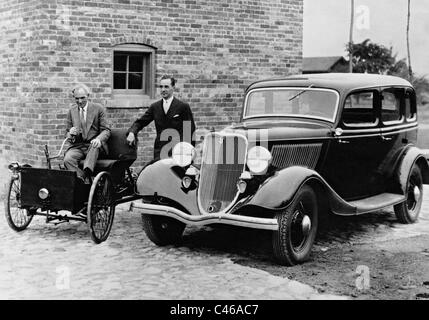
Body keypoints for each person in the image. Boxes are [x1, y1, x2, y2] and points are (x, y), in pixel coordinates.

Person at [126, 75, 196, 160]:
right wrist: (132, 132)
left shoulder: (183, 107)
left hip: (178, 152)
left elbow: (189, 132)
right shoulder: (155, 107)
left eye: (166, 87)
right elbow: (140, 122)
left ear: (173, 88)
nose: (163, 90)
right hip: (160, 151)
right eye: (161, 87)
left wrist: (186, 154)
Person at [64, 84, 111, 183]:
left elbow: (106, 130)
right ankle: (82, 179)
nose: (80, 101)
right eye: (77, 98)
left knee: (94, 145)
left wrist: (99, 139)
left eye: (82, 98)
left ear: (88, 96)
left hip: (95, 146)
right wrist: (70, 133)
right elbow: (67, 133)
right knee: (68, 159)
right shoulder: (71, 111)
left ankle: (87, 172)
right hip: (79, 146)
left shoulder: (98, 109)